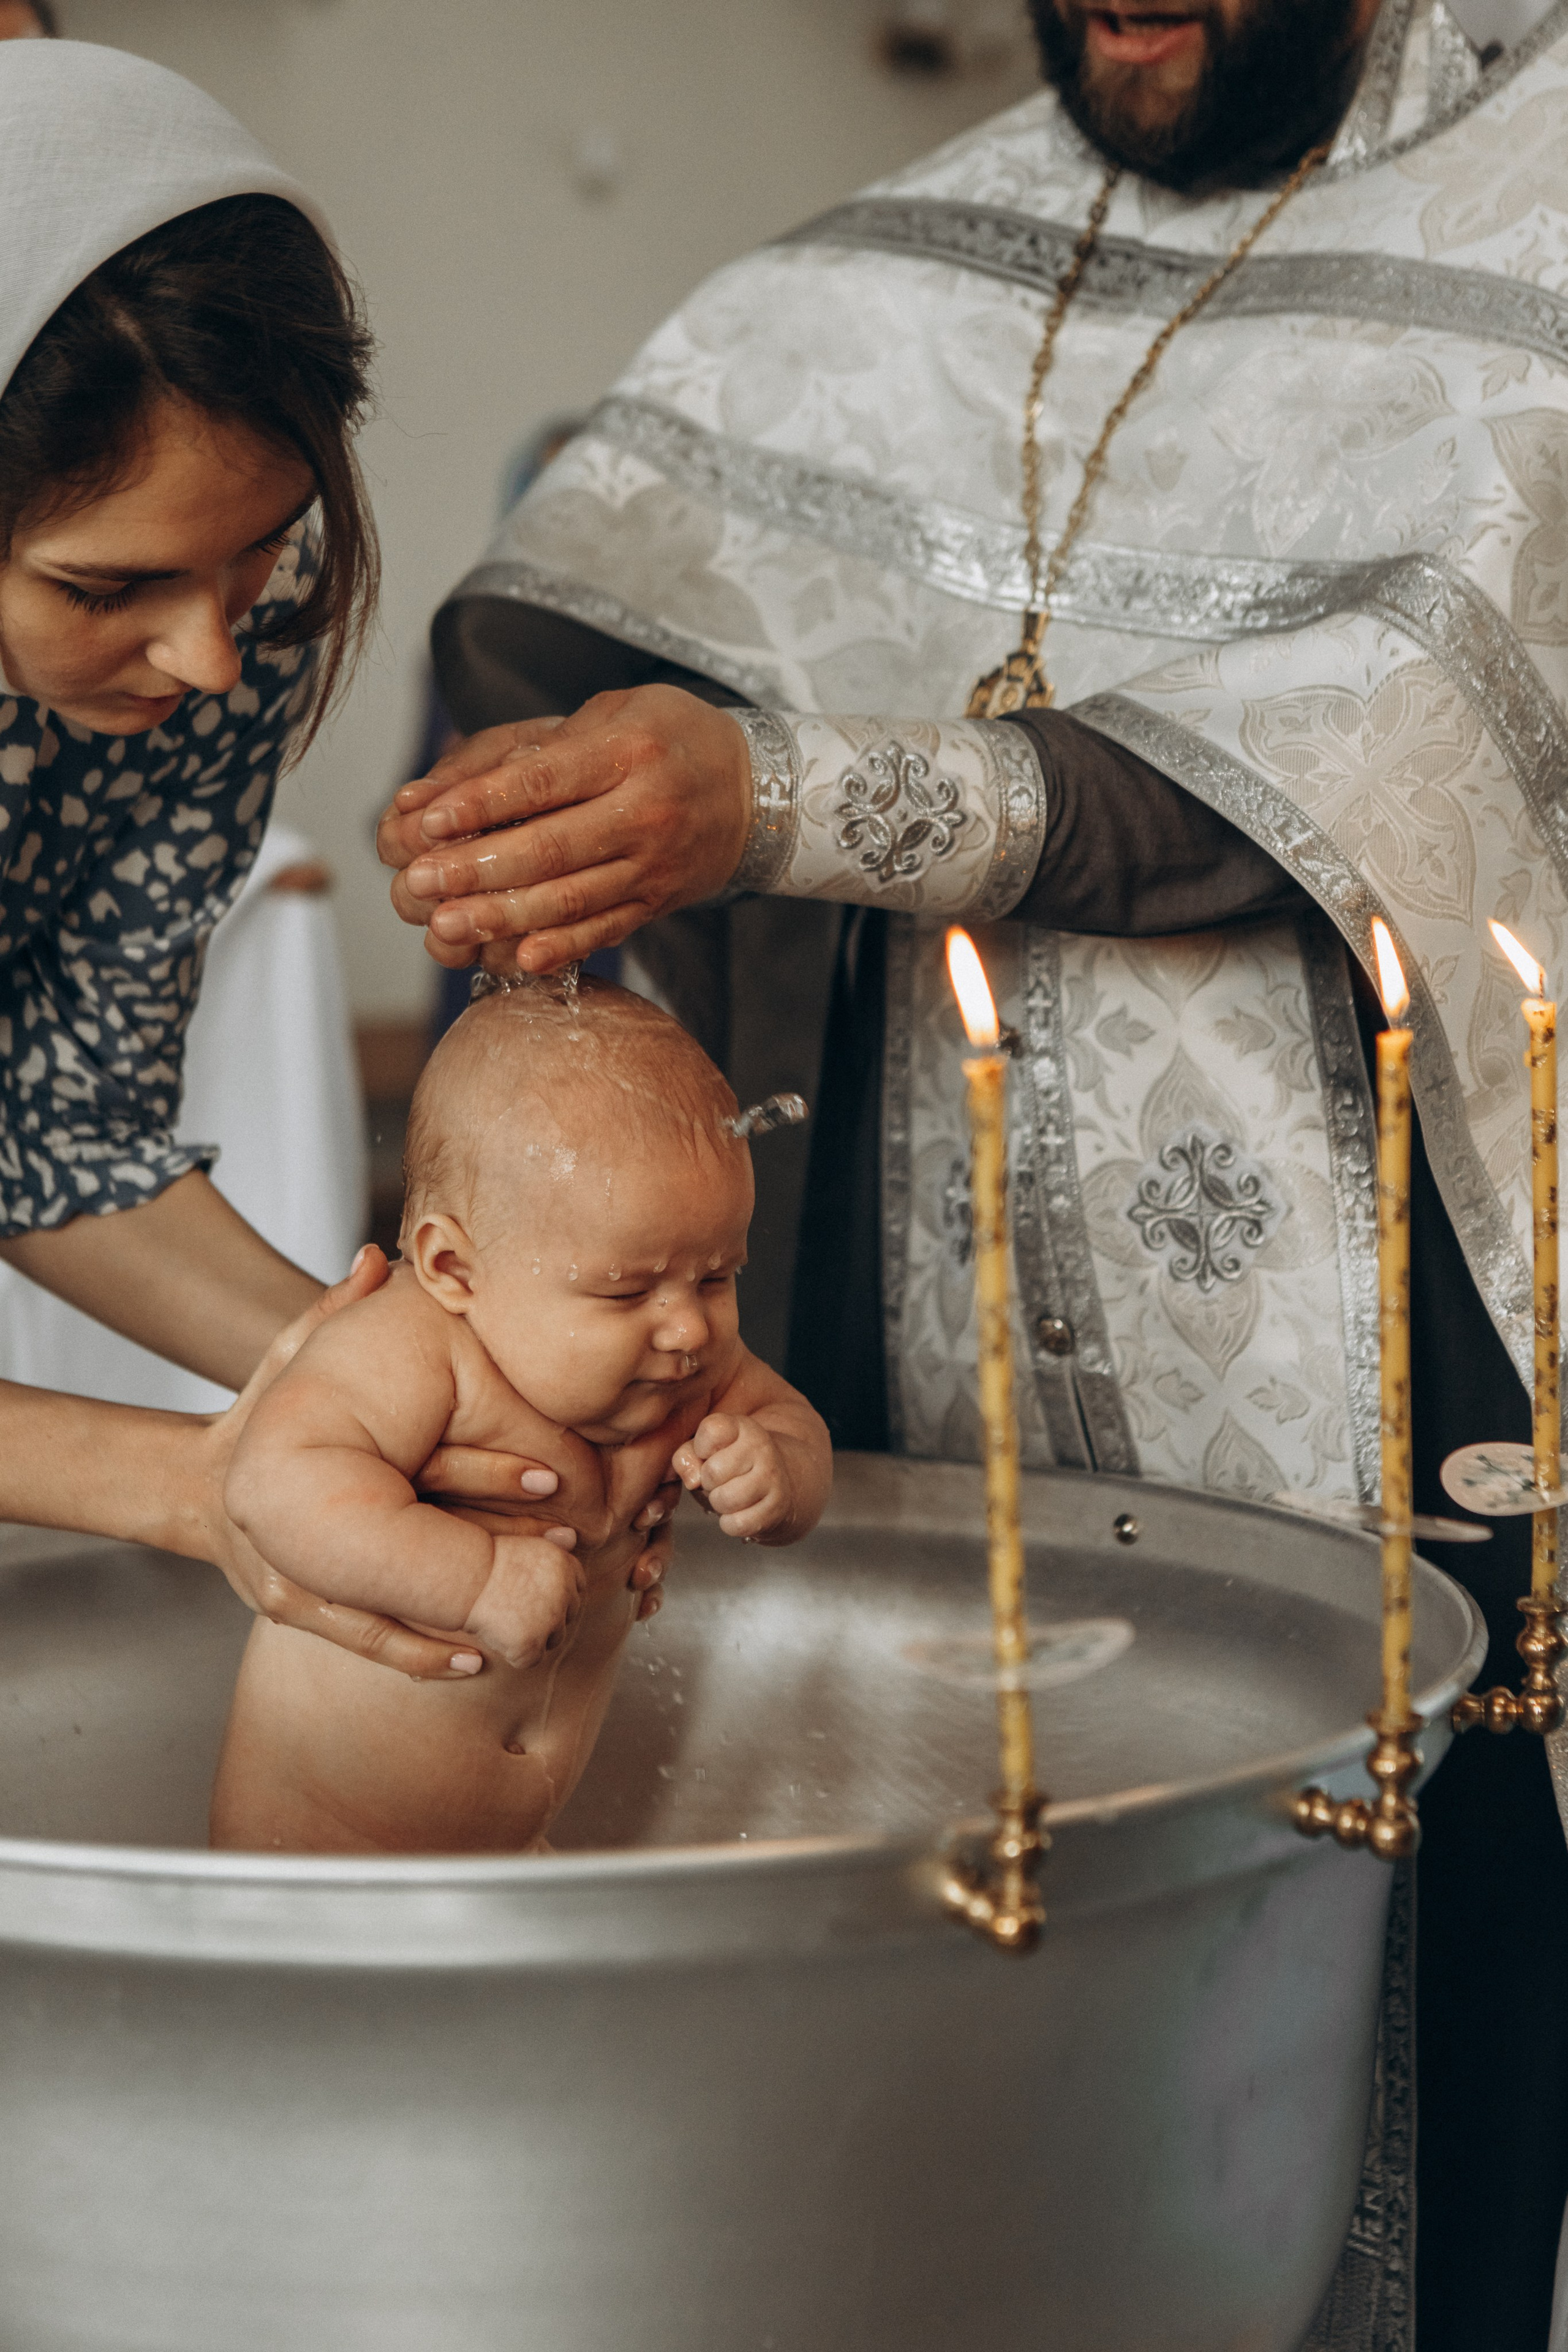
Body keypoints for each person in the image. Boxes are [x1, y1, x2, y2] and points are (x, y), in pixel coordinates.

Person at [379, 0, 1568, 2343]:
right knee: (966, 2110)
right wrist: (569, 828)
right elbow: (566, 613)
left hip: (1398, 1378)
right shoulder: (901, 268)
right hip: (907, 1364)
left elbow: (1399, 736)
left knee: (1408, 2049)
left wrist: (790, 798)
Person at [0, 42, 668, 1679]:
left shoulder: (229, 633)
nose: (211, 661)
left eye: (260, 553)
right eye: (108, 590)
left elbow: (54, 1121)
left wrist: (410, 1385)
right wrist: (202, 1483)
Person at [210, 978, 831, 1854]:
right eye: (626, 1290)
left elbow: (794, 1426)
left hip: (515, 1854)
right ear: (455, 1267)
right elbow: (274, 1484)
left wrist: (776, 1471)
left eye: (719, 1276)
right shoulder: (415, 1347)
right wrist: (471, 1579)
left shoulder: (684, 1365)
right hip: (321, 1866)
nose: (690, 1326)